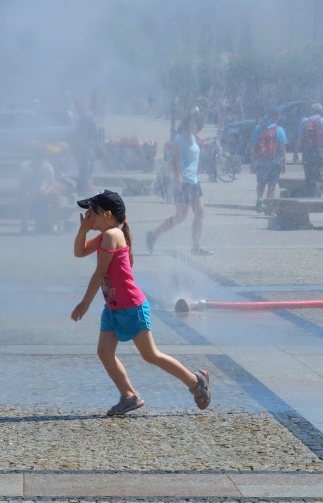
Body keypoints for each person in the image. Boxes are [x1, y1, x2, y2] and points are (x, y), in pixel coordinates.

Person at [72, 190, 211, 416]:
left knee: (151, 355)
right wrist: (82, 230)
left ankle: (196, 381)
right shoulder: (107, 234)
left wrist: (84, 304)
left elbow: (100, 273)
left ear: (107, 214)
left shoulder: (112, 235)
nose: (88, 215)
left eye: (92, 211)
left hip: (131, 307)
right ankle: (128, 395)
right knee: (104, 351)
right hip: (114, 307)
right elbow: (79, 252)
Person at [145, 114, 211, 256]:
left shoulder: (194, 138)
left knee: (200, 212)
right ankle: (153, 235)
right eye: (196, 125)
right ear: (188, 124)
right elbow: (174, 160)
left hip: (194, 182)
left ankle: (196, 246)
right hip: (182, 182)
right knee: (181, 216)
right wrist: (178, 178)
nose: (199, 128)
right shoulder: (179, 140)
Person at [292, 103, 323, 197]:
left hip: (307, 152)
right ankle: (316, 197)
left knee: (308, 175)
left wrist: (296, 153)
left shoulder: (304, 121)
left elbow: (299, 138)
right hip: (319, 152)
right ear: (321, 111)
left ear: (311, 111)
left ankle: (308, 196)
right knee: (318, 176)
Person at [251, 109, 287, 213]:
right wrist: (284, 163)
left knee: (261, 182)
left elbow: (253, 146)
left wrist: (253, 162)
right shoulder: (279, 130)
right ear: (278, 117)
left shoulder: (259, 128)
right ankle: (269, 206)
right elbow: (282, 148)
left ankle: (259, 200)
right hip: (274, 162)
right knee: (272, 185)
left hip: (261, 161)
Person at [19, 146, 61, 234]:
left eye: (41, 156)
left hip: (45, 192)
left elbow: (52, 183)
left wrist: (46, 192)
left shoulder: (48, 167)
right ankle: (25, 226)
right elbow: (23, 183)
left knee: (56, 197)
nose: (39, 158)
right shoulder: (25, 166)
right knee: (24, 197)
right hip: (30, 192)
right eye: (37, 156)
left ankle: (55, 224)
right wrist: (28, 192)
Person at [73, 99, 98, 194]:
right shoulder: (89, 115)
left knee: (84, 169)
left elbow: (85, 132)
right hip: (89, 146)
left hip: (85, 147)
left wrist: (81, 146)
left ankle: (85, 190)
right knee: (87, 170)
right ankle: (87, 189)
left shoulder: (84, 116)